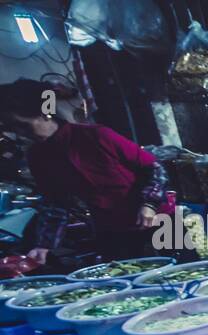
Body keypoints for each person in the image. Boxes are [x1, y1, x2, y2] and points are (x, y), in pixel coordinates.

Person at [0, 79, 168, 265]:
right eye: (13, 128)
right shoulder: (37, 156)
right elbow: (56, 203)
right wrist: (43, 245)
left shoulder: (96, 135)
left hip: (158, 220)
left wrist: (149, 204)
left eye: (22, 125)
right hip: (112, 231)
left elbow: (155, 168)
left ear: (44, 113)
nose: (19, 133)